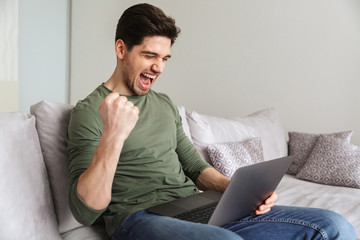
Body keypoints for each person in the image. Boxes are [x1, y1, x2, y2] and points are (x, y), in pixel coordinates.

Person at [67, 3, 356, 240]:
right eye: (150, 55)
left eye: (165, 58)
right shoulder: (91, 111)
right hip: (139, 218)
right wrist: (114, 136)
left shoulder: (164, 104)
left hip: (197, 206)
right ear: (121, 49)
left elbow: (195, 167)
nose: (159, 67)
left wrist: (240, 192)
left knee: (332, 224)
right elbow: (86, 210)